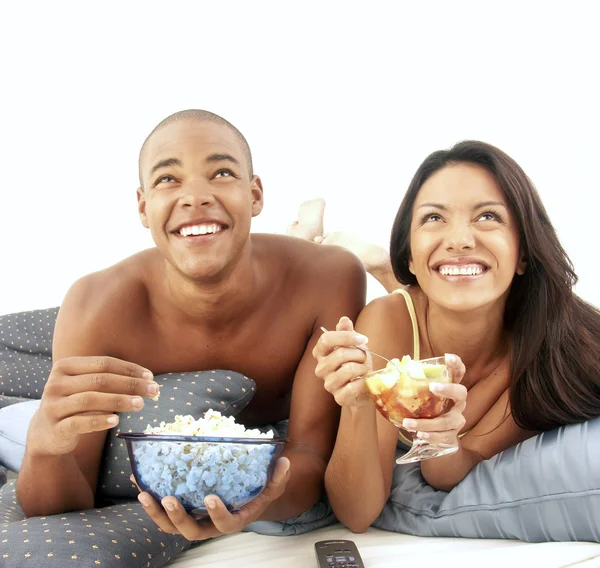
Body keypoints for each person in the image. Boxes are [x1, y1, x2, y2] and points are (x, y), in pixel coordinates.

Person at [6, 109, 365, 564]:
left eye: (221, 172)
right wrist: (44, 445)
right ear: (142, 207)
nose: (195, 197)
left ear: (254, 194)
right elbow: (57, 505)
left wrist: (260, 501)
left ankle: (304, 233)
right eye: (168, 180)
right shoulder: (95, 305)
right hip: (96, 318)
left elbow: (310, 451)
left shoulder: (331, 277)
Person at [309, 141, 600, 539]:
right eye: (433, 218)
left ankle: (379, 262)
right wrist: (358, 407)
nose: (460, 239)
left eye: (487, 216)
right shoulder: (389, 321)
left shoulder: (543, 349)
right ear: (409, 255)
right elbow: (356, 514)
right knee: (319, 264)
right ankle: (331, 245)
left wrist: (439, 439)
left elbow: (451, 471)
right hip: (416, 306)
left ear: (523, 254)